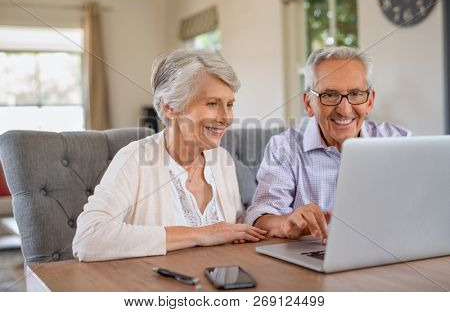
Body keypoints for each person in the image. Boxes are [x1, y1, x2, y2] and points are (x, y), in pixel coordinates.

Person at [73, 49, 266, 261]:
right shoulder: (134, 159)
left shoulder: (222, 160)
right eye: (212, 104)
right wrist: (204, 234)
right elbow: (87, 239)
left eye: (229, 105)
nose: (226, 117)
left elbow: (232, 230)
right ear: (170, 107)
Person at [245, 46, 411, 244]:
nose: (344, 109)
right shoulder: (284, 148)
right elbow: (260, 217)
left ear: (370, 101)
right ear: (309, 103)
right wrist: (286, 223)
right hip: (311, 261)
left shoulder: (399, 140)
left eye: (356, 93)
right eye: (330, 95)